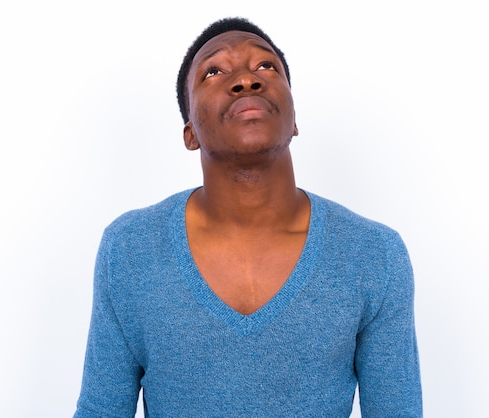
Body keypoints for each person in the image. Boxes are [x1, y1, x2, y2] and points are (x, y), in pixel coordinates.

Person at [73, 17, 422, 417]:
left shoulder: (374, 254)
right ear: (190, 133)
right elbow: (100, 409)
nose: (245, 80)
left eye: (265, 67)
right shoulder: (130, 248)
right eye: (214, 71)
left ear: (293, 119)